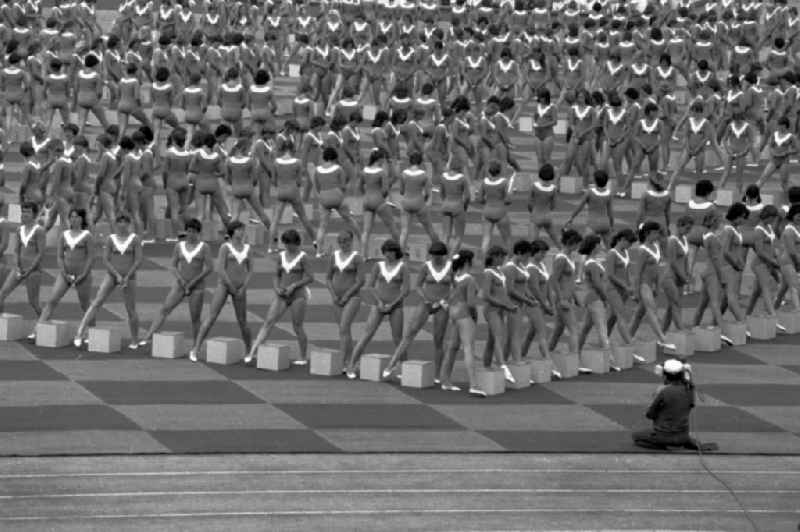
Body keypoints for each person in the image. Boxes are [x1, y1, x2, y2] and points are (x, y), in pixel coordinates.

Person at [74, 214, 143, 349]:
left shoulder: (135, 239)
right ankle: (80, 333)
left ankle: (135, 340)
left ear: (129, 224)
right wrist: (116, 275)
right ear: (116, 224)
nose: (122, 225)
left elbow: (138, 260)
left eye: (125, 222)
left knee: (131, 309)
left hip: (130, 277)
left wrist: (127, 276)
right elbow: (106, 259)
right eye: (120, 222)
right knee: (97, 302)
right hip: (112, 276)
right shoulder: (111, 239)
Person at [246, 229, 314, 364]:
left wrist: (294, 286)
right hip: (282, 294)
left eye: (291, 243)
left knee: (297, 326)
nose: (288, 246)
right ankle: (252, 352)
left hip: (298, 295)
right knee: (268, 322)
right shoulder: (281, 256)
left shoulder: (303, 257)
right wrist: (276, 288)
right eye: (286, 243)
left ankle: (302, 356)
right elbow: (276, 275)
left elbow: (310, 277)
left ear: (297, 243)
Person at [189, 221, 253, 362]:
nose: (242, 232)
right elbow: (220, 269)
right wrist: (230, 286)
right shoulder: (225, 247)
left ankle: (250, 351)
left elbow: (250, 271)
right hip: (224, 285)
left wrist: (243, 287)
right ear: (232, 232)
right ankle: (195, 349)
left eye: (243, 230)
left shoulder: (248, 248)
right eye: (239, 230)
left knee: (243, 321)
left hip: (240, 288)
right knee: (211, 317)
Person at [142, 219, 212, 345]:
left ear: (199, 233)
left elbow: (209, 268)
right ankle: (148, 336)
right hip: (180, 284)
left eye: (194, 232)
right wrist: (180, 279)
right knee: (164, 309)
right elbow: (173, 265)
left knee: (195, 318)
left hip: (197, 287)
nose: (191, 235)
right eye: (189, 231)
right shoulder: (179, 246)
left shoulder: (204, 247)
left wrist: (194, 282)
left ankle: (196, 345)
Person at [347, 239, 408, 376]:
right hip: (378, 304)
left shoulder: (403, 267)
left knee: (398, 338)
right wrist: (379, 302)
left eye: (390, 252)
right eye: (385, 252)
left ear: (395, 252)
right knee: (367, 334)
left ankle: (404, 368)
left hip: (396, 306)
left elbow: (406, 290)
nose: (387, 255)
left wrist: (392, 304)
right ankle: (351, 365)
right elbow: (369, 286)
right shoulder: (378, 266)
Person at [37, 209, 94, 328]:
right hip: (65, 274)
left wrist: (83, 274)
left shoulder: (87, 236)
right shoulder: (64, 234)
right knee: (52, 300)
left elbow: (90, 257)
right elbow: (60, 256)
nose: (74, 219)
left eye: (77, 217)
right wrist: (64, 272)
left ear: (82, 219)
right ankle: (38, 329)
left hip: (83, 275)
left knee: (85, 305)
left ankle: (92, 332)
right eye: (72, 217)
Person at [632, 358, 702, 451]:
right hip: (683, 436)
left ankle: (662, 445)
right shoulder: (690, 389)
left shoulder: (664, 391)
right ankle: (683, 442)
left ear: (665, 376)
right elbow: (690, 405)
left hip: (664, 435)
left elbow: (650, 414)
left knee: (636, 437)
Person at [440, 249, 483, 395]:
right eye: (473, 259)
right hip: (464, 315)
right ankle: (474, 385)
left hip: (453, 314)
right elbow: (471, 303)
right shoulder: (470, 279)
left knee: (452, 347)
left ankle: (445, 380)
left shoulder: (454, 276)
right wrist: (474, 315)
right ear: (467, 262)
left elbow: (451, 296)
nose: (475, 262)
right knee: (469, 348)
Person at [325, 230, 364, 375]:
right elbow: (328, 277)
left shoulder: (357, 258)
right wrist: (333, 294)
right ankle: (352, 360)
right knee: (344, 331)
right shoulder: (333, 256)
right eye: (340, 241)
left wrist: (347, 295)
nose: (343, 244)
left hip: (353, 297)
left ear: (351, 241)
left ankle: (342, 362)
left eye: (346, 240)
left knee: (344, 327)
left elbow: (361, 281)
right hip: (336, 297)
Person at [0, 202, 44, 319]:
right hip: (19, 269)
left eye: (28, 211)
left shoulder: (39, 230)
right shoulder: (19, 230)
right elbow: (16, 250)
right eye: (23, 211)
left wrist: (29, 269)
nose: (24, 214)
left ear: (34, 214)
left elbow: (40, 253)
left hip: (33, 271)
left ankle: (44, 322)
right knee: (2, 293)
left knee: (33, 302)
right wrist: (17, 267)